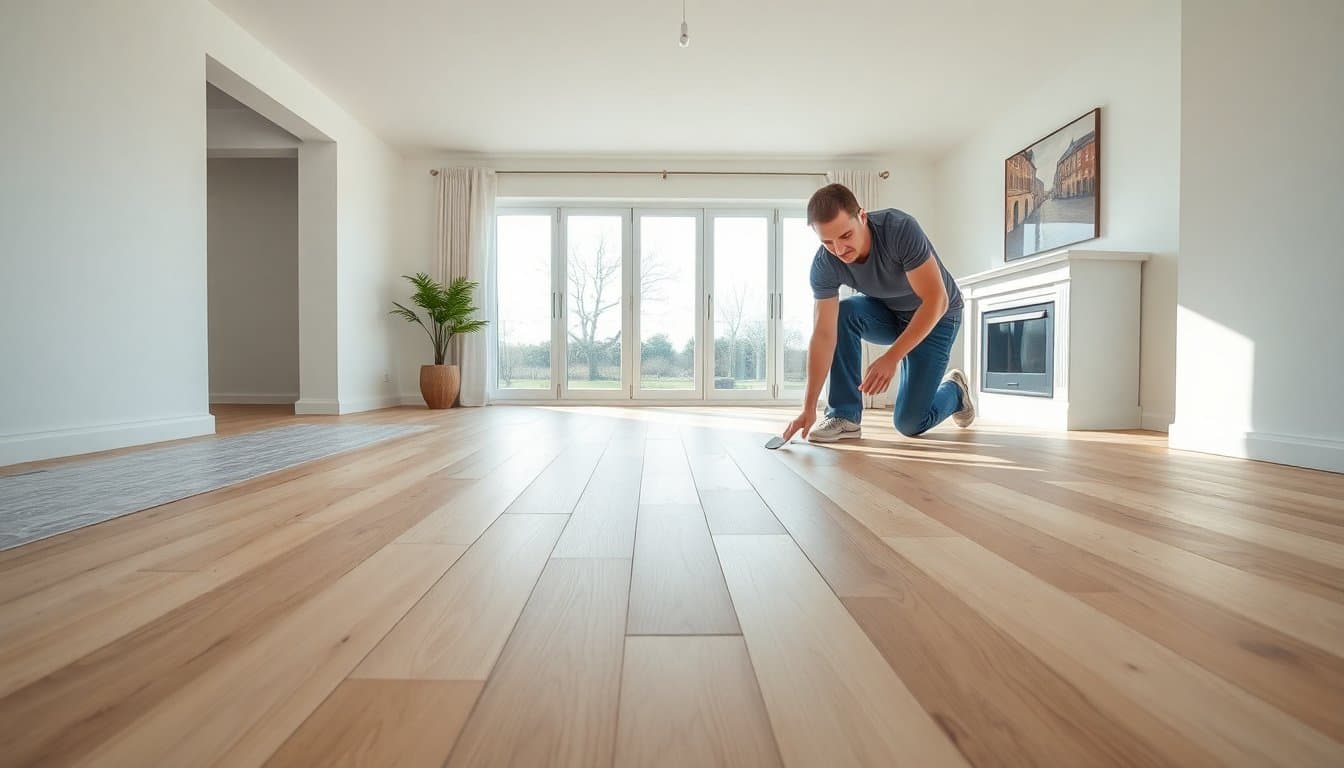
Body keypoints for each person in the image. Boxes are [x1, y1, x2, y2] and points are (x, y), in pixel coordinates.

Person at [781, 183, 975, 443]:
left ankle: (955, 391)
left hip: (938, 316)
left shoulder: (899, 230)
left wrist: (891, 357)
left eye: (846, 236)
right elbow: (824, 335)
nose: (839, 250)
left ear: (862, 216)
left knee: (909, 423)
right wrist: (808, 408)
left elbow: (935, 300)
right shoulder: (824, 265)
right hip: (890, 314)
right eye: (827, 242)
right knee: (843, 313)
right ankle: (844, 416)